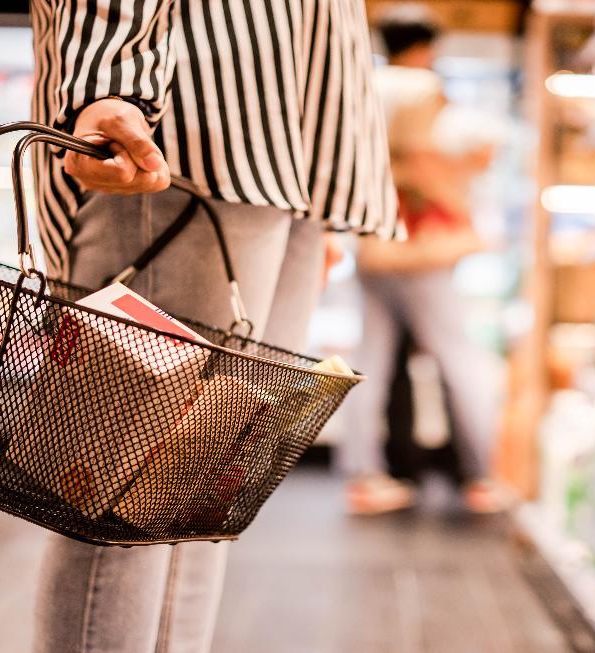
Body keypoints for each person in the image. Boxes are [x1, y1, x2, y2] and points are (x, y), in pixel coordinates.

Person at [29, 2, 395, 652]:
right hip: (185, 127)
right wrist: (106, 82)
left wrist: (326, 189)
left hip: (293, 141)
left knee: (202, 500)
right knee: (120, 504)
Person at [341, 10, 509, 515]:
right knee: (460, 360)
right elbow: (417, 160)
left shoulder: (363, 83)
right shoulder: (422, 89)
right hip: (420, 245)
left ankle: (363, 475)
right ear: (425, 47)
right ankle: (482, 476)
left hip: (372, 241)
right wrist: (461, 209)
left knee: (368, 360)